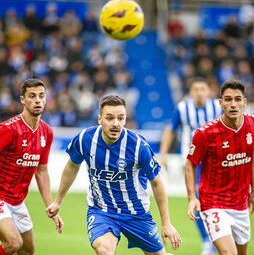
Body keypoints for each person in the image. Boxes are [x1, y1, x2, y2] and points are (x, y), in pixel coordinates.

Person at [46, 95, 181, 255]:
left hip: (136, 213)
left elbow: (156, 182)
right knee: (103, 250)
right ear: (99, 119)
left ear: (125, 120)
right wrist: (58, 201)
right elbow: (71, 167)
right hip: (102, 210)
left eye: (120, 118)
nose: (115, 123)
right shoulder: (85, 139)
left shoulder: (138, 145)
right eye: (109, 118)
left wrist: (166, 223)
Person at [185, 79, 254, 255]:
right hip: (213, 203)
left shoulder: (252, 125)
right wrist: (192, 197)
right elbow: (190, 164)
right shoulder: (205, 133)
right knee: (228, 253)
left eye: (238, 99)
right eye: (228, 99)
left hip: (240, 204)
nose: (233, 104)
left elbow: (251, 158)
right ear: (220, 103)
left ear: (245, 103)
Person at [0, 78, 64, 255]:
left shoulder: (47, 131)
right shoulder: (8, 129)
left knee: (28, 250)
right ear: (23, 100)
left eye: (41, 96)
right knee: (13, 243)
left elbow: (41, 171)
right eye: (32, 96)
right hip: (0, 197)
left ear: (46, 99)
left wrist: (51, 206)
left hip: (18, 201)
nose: (37, 100)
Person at [159, 77, 222, 255]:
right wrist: (163, 154)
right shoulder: (182, 108)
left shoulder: (217, 107)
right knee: (197, 200)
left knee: (214, 201)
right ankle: (207, 241)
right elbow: (170, 129)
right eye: (196, 89)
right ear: (191, 91)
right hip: (192, 164)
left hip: (215, 161)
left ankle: (217, 236)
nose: (200, 92)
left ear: (208, 91)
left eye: (203, 89)